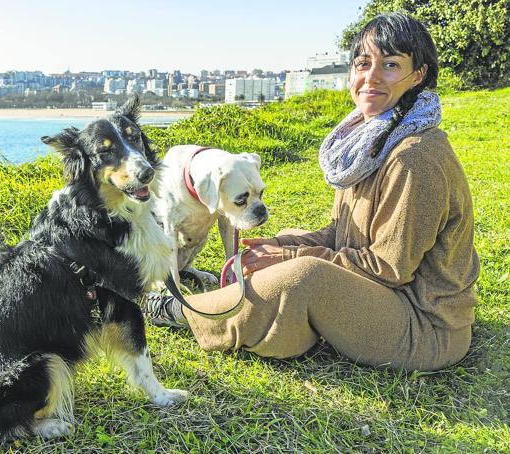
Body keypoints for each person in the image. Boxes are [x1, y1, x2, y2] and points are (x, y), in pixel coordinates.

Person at [145, 12, 479, 372]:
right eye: (363, 63)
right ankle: (273, 312)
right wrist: (280, 246)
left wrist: (289, 260)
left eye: (391, 65)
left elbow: (387, 268)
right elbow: (341, 233)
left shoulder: (414, 158)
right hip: (387, 299)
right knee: (285, 243)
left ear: (418, 76)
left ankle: (181, 310)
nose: (372, 77)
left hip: (423, 324)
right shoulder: (369, 143)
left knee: (304, 275)